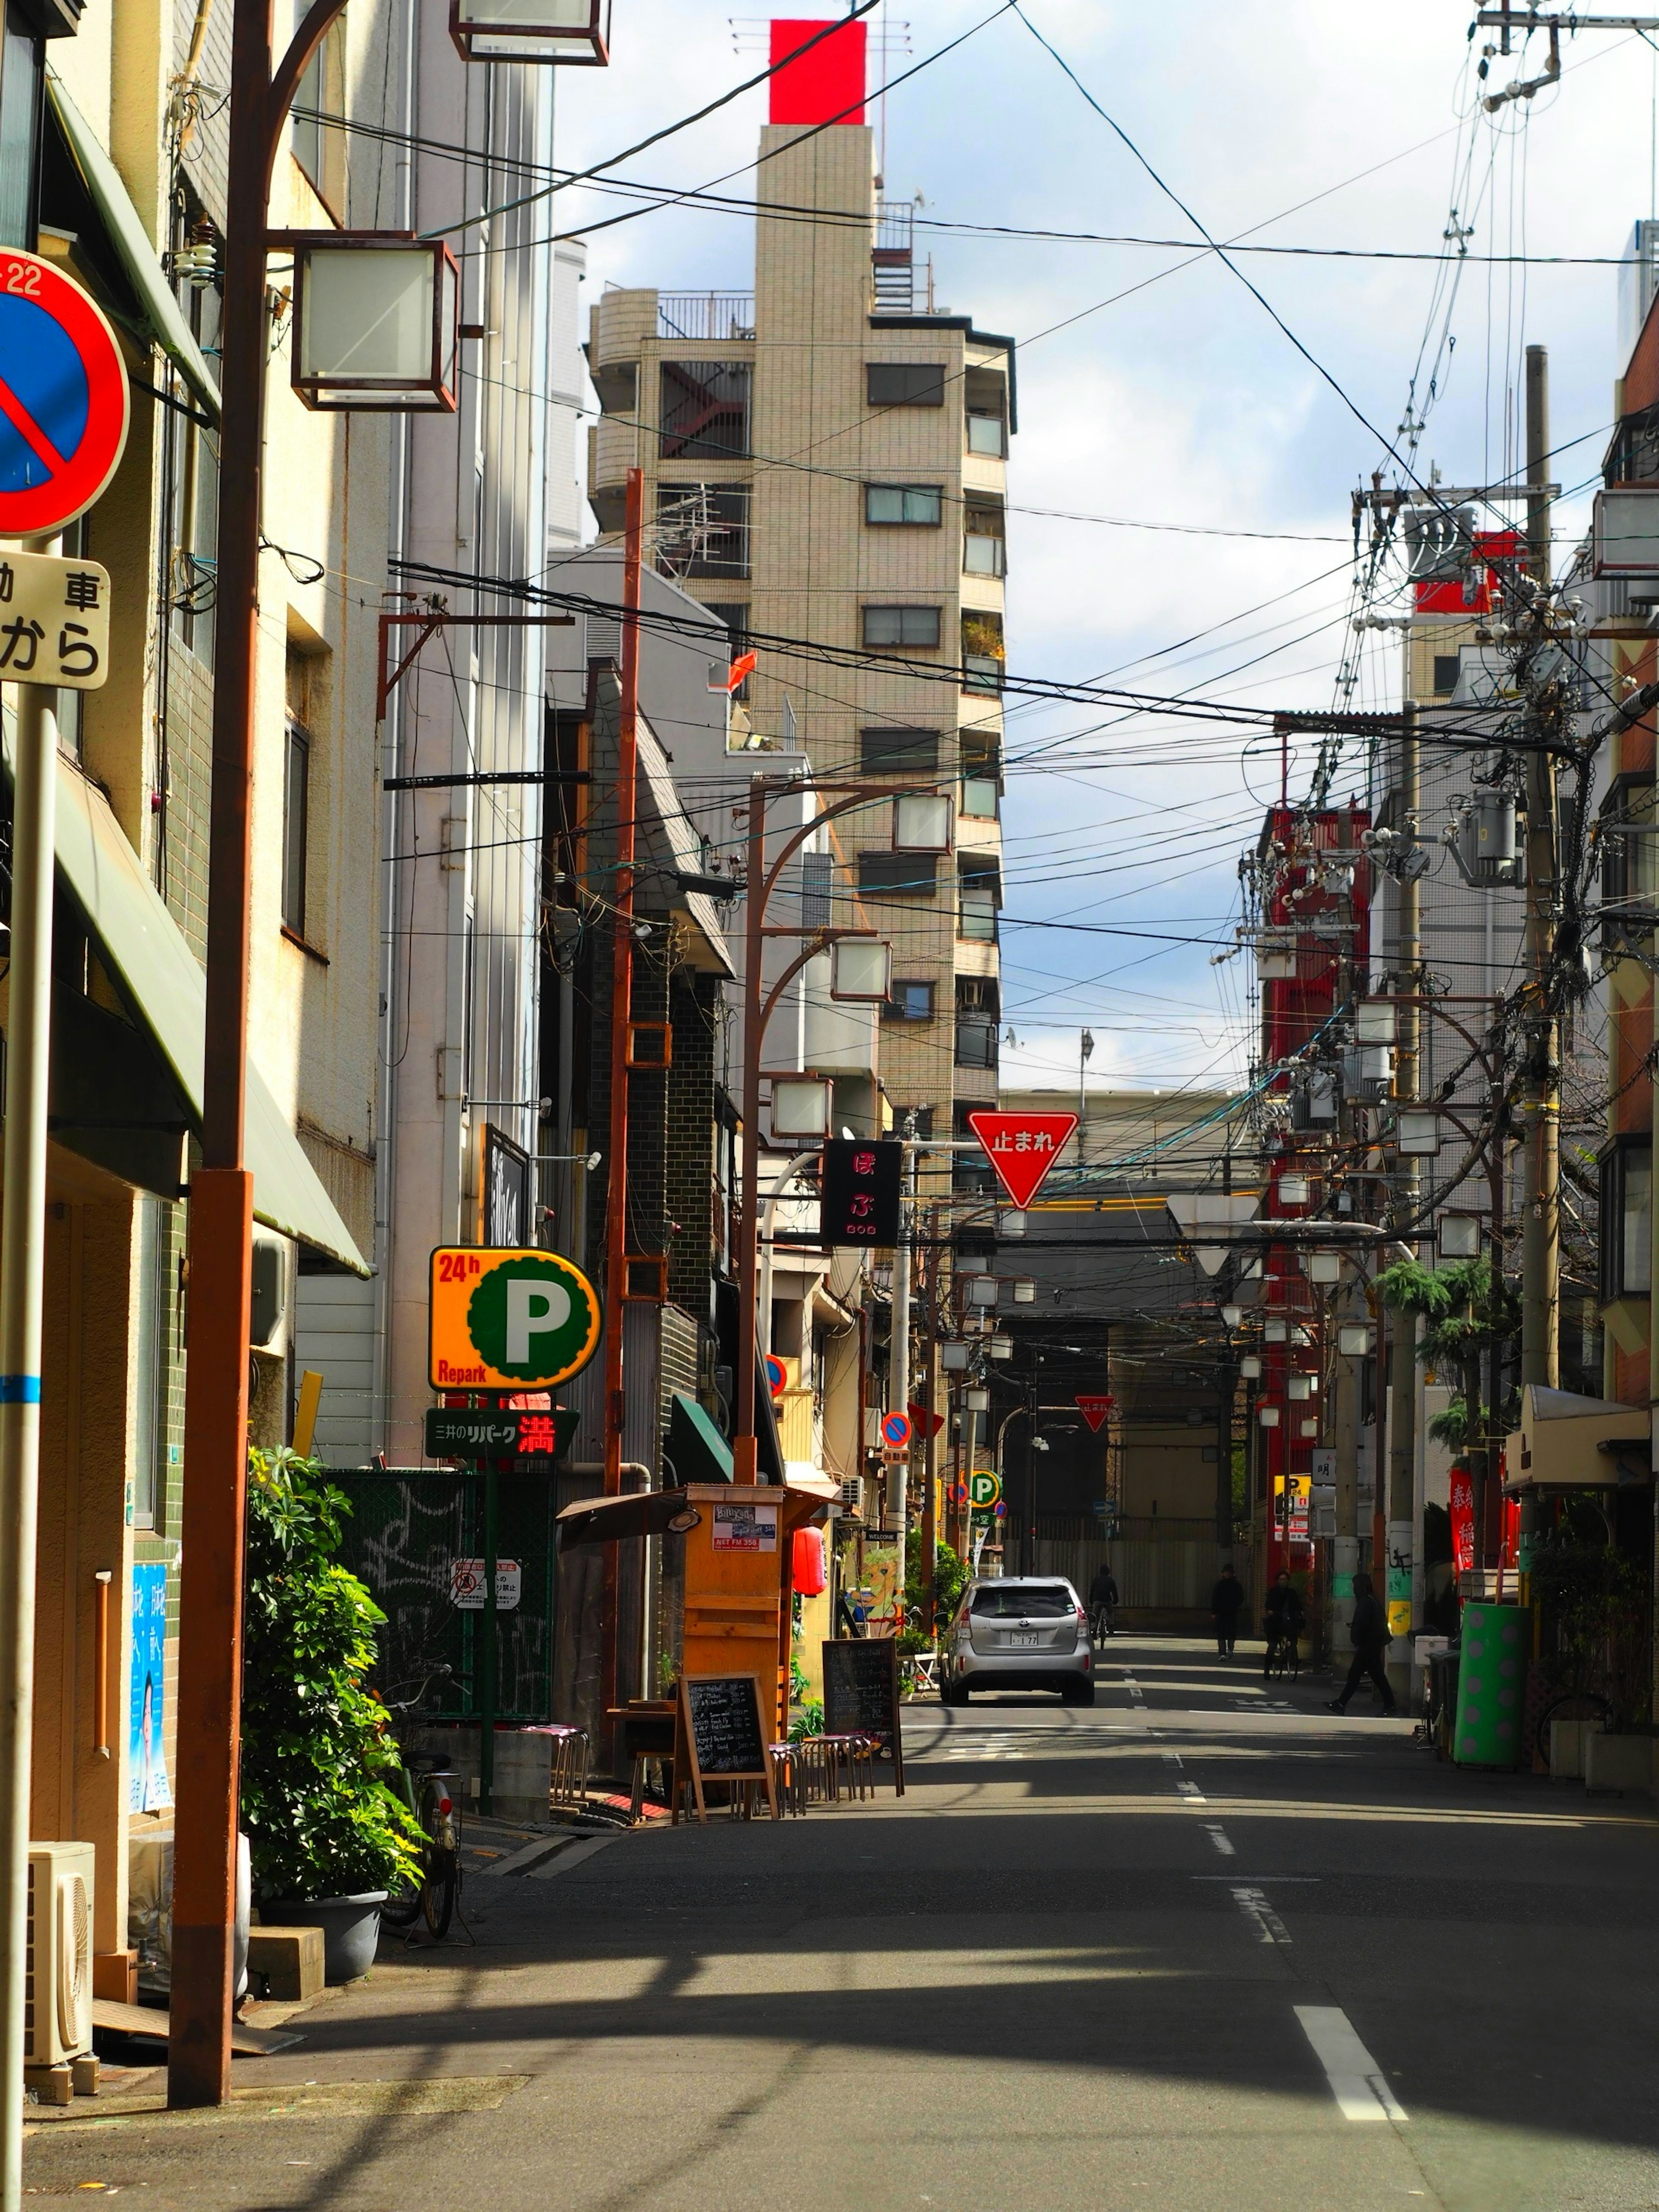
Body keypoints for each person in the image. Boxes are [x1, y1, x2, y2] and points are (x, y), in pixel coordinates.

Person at [1328, 1570, 1397, 1716]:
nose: (1353, 1589)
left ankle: (1342, 1704)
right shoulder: (1372, 1600)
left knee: (1362, 1675)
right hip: (1373, 1643)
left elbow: (1364, 1623)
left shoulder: (1365, 1602)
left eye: (1354, 1585)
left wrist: (1357, 1636)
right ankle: (1341, 1703)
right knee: (1370, 1675)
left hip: (1368, 1645)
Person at [1262, 1570, 1306, 1678]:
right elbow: (1268, 1605)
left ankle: (1293, 1658)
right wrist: (1270, 1611)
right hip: (1275, 1622)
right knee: (1272, 1645)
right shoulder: (1273, 1592)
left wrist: (1300, 1611)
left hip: (1288, 1620)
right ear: (1278, 1581)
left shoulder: (1292, 1593)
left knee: (1293, 1639)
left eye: (1285, 1579)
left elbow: (1297, 1604)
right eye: (1281, 1579)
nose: (1283, 1582)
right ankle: (1267, 1668)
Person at [1211, 1564, 1245, 1657]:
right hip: (1221, 1612)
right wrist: (1214, 1612)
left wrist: (1235, 1606)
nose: (1227, 1574)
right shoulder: (1219, 1585)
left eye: (1229, 1572)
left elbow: (1241, 1598)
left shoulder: (1237, 1585)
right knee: (1221, 1632)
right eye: (1226, 1572)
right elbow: (1215, 1599)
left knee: (1231, 1632)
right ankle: (1222, 1652)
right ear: (1223, 1573)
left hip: (1232, 1612)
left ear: (1232, 1573)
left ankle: (1230, 1650)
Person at [1087, 1562, 1119, 1640]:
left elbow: (1092, 1592)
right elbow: (1114, 1592)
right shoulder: (1111, 1581)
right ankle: (1111, 1627)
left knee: (1095, 1615)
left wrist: (1091, 1601)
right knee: (1110, 1613)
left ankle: (1094, 1628)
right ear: (1108, 1572)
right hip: (1107, 1600)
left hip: (1097, 1600)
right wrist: (1115, 1601)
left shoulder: (1096, 1580)